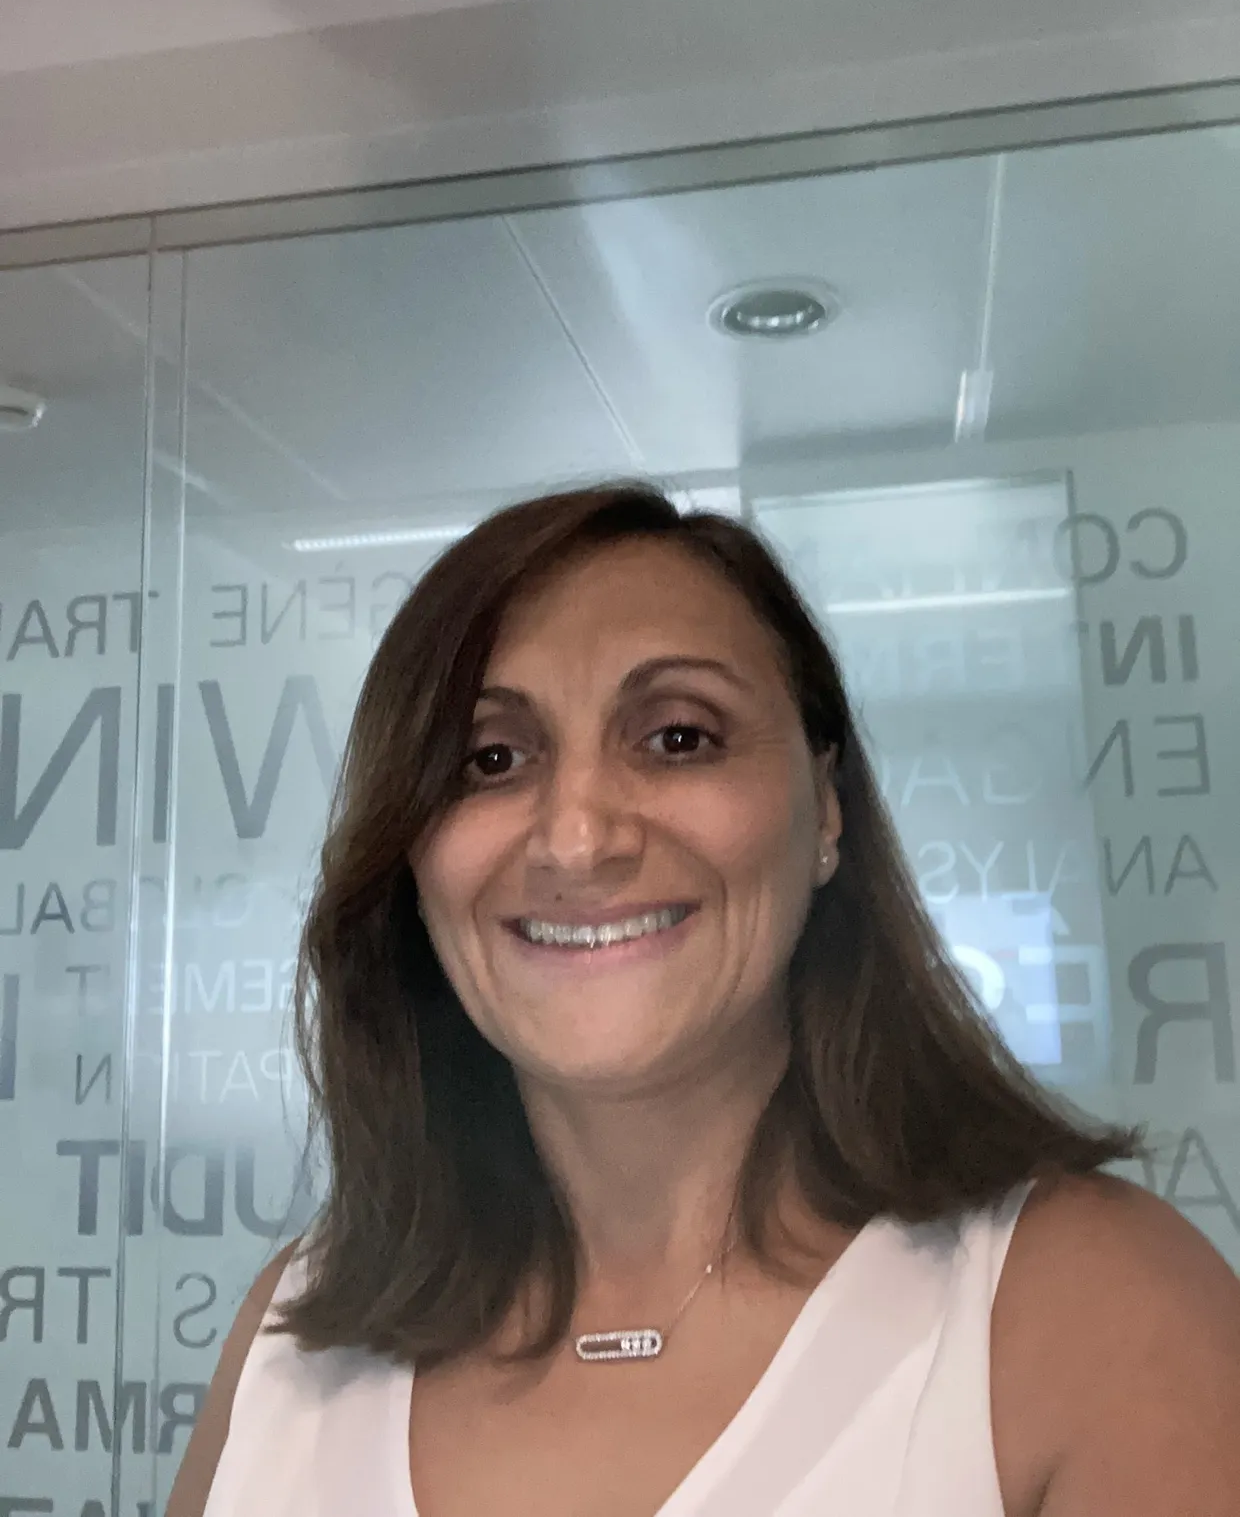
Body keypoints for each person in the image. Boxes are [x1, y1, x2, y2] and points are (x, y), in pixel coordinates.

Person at [170, 482, 1240, 1517]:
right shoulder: (288, 1345)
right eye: (490, 759)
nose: (576, 838)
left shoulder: (1089, 1309)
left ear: (825, 806)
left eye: (678, 736)